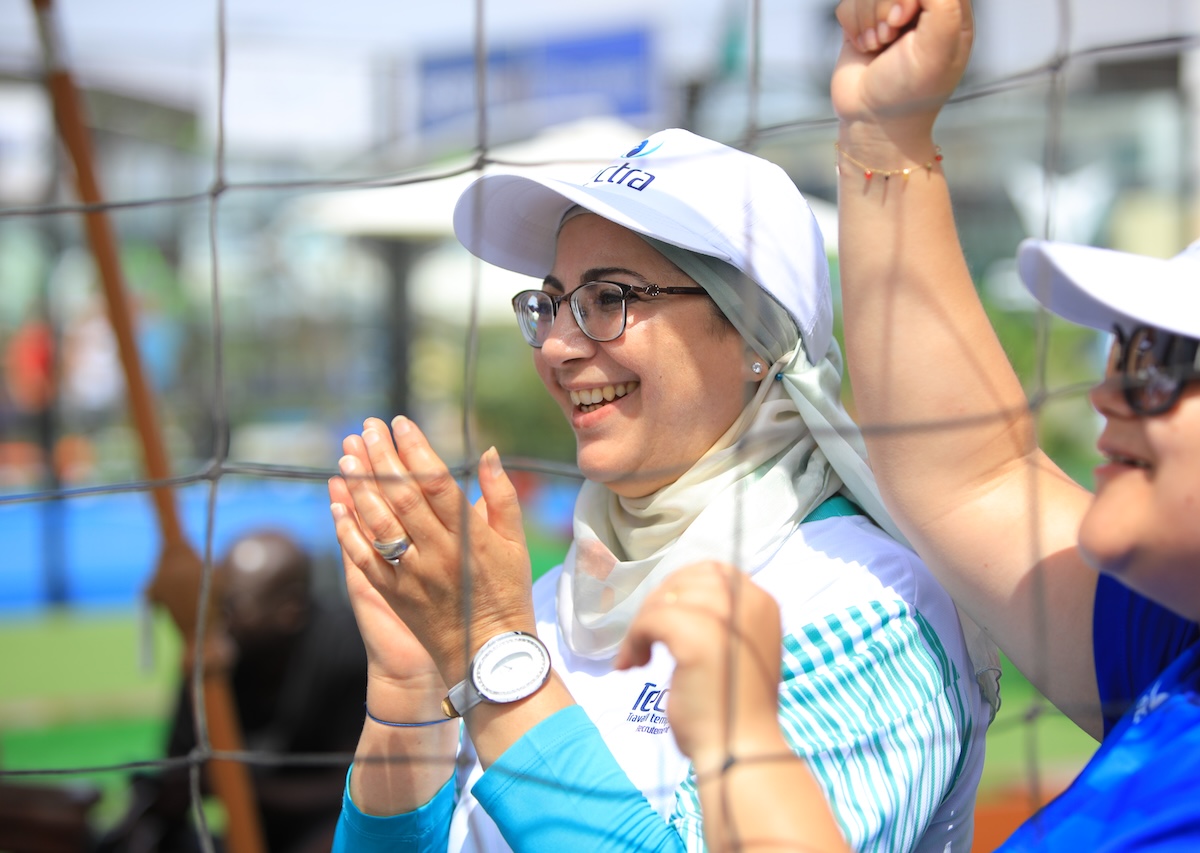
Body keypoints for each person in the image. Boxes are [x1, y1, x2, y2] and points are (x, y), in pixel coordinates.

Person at [623, 0, 1200, 849]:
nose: (1107, 393)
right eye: (1124, 348)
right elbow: (974, 476)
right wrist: (884, 135)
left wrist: (740, 742)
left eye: (1166, 359)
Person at [327, 126, 994, 852]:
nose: (558, 346)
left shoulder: (871, 603)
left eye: (608, 298)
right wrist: (409, 690)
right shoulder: (542, 607)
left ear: (755, 337)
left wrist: (493, 655)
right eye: (551, 303)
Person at [98, 530, 367, 853]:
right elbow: (180, 773)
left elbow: (357, 789)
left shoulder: (346, 649)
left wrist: (234, 786)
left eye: (230, 605)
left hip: (331, 830)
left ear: (290, 610)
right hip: (242, 833)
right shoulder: (211, 654)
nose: (214, 616)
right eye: (213, 599)